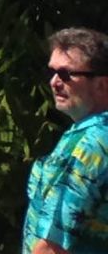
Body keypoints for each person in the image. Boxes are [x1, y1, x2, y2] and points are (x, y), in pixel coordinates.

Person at [28, 28, 108, 254]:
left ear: (101, 84)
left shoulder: (89, 145)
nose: (54, 82)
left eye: (66, 74)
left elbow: (53, 246)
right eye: (52, 72)